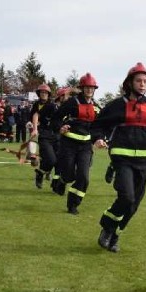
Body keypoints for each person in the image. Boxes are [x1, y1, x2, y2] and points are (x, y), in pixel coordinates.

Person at [92, 63, 146, 253]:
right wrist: (98, 138)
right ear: (130, 82)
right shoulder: (117, 105)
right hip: (122, 160)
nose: (143, 84)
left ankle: (115, 233)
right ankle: (107, 227)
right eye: (139, 80)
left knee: (133, 205)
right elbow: (98, 125)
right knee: (126, 198)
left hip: (144, 162)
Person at [53, 73, 101, 215]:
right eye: (87, 87)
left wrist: (99, 138)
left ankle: (73, 204)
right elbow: (56, 118)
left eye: (92, 88)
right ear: (82, 88)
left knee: (84, 178)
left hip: (85, 147)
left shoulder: (97, 107)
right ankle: (63, 180)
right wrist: (60, 127)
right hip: (68, 144)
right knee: (69, 175)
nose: (89, 90)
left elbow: (99, 126)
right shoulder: (72, 102)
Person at [29, 84, 58, 189]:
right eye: (42, 92)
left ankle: (44, 173)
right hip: (43, 134)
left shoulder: (53, 105)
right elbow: (35, 115)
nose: (44, 94)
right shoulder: (38, 105)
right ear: (39, 94)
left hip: (56, 135)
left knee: (54, 159)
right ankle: (41, 172)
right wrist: (34, 127)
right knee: (49, 158)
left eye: (45, 93)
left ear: (49, 94)